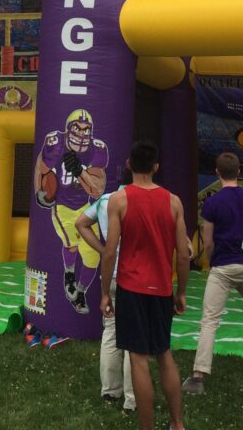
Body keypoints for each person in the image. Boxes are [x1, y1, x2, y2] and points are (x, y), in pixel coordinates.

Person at [101, 140, 189, 430]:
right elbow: (183, 255)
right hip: (162, 289)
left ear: (128, 165)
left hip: (131, 287)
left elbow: (110, 250)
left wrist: (104, 293)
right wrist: (182, 292)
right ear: (156, 167)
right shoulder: (173, 201)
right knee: (164, 354)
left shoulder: (119, 199)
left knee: (138, 359)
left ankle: (147, 427)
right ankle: (177, 424)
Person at [182, 152, 243, 395]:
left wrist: (213, 260)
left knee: (209, 320)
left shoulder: (213, 202)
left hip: (222, 266)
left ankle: (198, 376)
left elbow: (207, 243)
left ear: (217, 173)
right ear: (239, 171)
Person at [34, 108, 108, 314]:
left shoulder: (97, 149)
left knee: (93, 256)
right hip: (63, 206)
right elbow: (41, 169)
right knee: (72, 244)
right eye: (77, 128)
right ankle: (69, 274)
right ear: (68, 128)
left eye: (86, 129)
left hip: (84, 206)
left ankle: (81, 292)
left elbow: (96, 190)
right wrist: (40, 192)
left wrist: (80, 172)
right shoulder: (55, 143)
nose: (82, 133)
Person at [76, 167, 135, 414]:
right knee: (134, 337)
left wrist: (102, 250)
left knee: (111, 330)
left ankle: (111, 390)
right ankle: (132, 398)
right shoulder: (141, 200)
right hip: (135, 275)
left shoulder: (104, 200)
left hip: (110, 272)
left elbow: (80, 223)